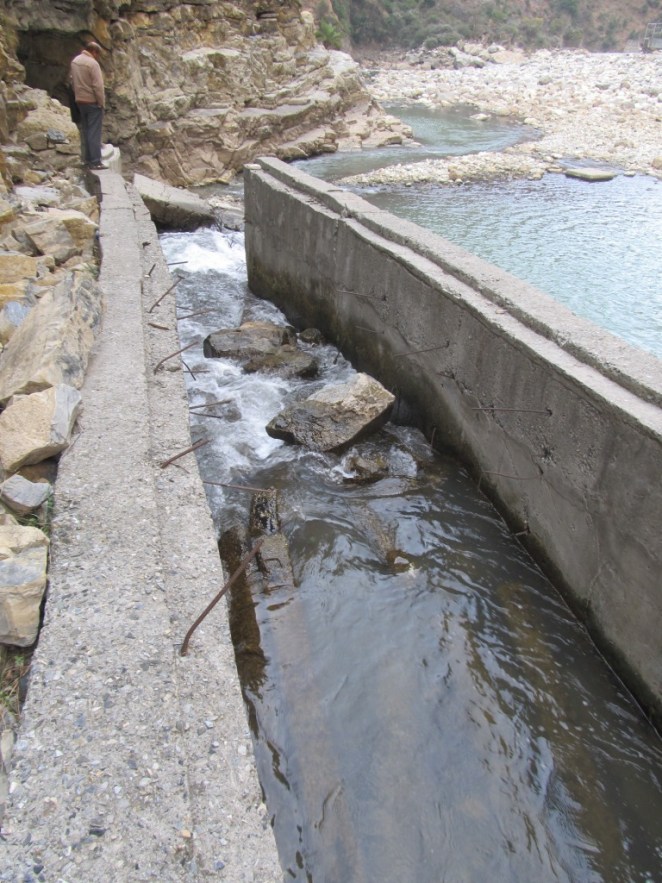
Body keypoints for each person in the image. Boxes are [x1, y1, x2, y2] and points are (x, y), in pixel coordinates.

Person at [69, 41, 107, 170]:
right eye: (97, 54)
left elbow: (72, 81)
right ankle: (95, 161)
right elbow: (98, 86)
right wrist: (101, 102)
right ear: (94, 52)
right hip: (92, 102)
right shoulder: (92, 64)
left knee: (85, 130)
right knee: (94, 132)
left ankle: (86, 159)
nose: (97, 57)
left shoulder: (75, 61)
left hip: (80, 101)